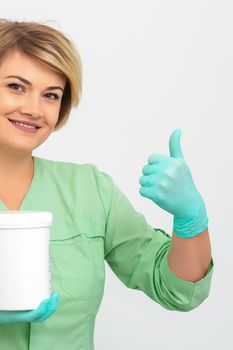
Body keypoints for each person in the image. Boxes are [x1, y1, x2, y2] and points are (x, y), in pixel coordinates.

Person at [0, 18, 213, 349]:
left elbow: (175, 290)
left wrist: (190, 220)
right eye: (16, 86)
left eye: (51, 95)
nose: (33, 109)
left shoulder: (90, 191)